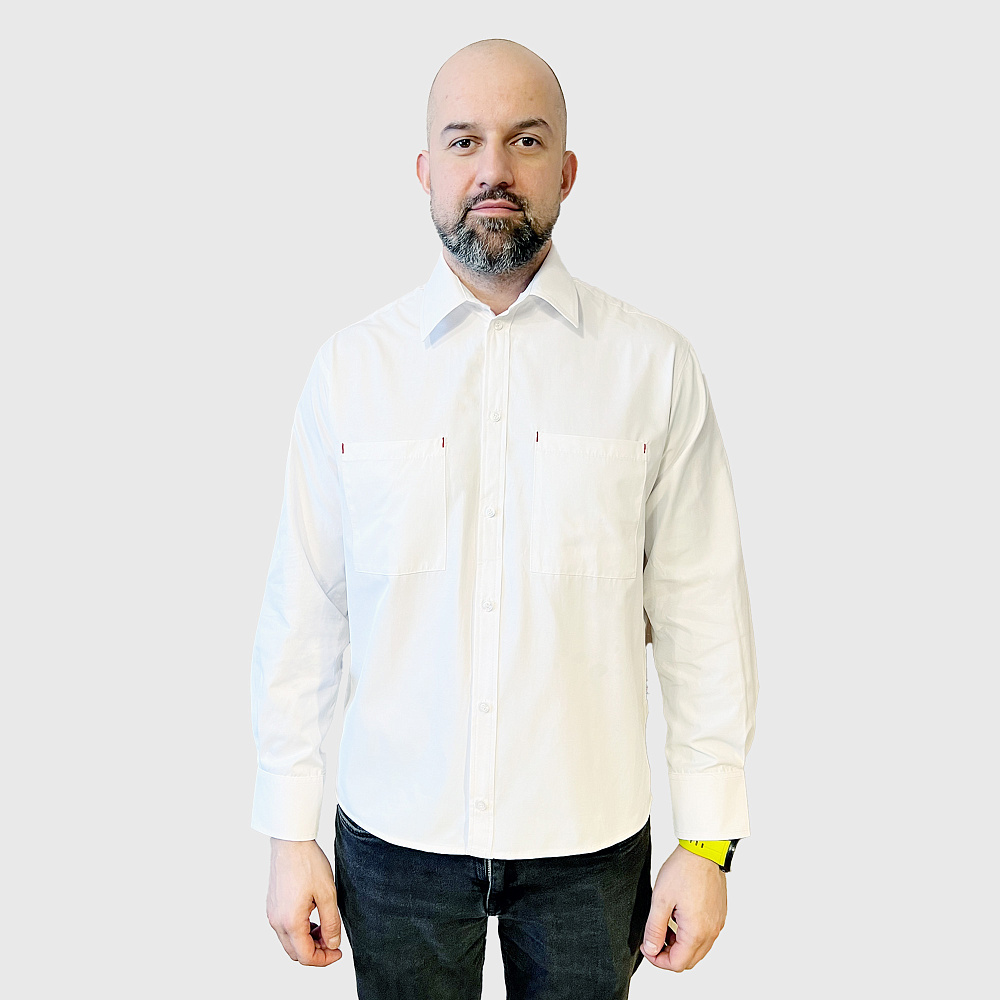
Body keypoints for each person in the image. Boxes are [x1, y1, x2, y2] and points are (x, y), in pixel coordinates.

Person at [250, 37, 758, 999]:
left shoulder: (652, 368)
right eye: (464, 141)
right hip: (395, 843)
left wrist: (708, 844)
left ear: (567, 170)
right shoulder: (350, 373)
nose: (494, 169)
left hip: (589, 851)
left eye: (526, 140)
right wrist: (288, 830)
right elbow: (304, 612)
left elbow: (703, 618)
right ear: (424, 171)